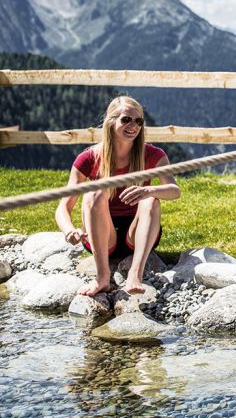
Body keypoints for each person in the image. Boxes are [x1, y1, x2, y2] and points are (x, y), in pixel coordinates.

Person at [56, 96, 180, 296]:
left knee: (151, 200)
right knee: (93, 192)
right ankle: (102, 277)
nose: (133, 126)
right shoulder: (89, 158)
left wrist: (150, 190)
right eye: (126, 120)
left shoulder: (153, 154)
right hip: (102, 238)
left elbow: (175, 191)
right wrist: (69, 230)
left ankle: (135, 274)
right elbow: (63, 207)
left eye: (139, 121)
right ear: (111, 121)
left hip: (138, 233)